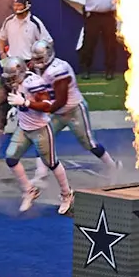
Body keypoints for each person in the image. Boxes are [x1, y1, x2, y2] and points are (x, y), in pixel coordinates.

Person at [28, 40, 121, 185]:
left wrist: (38, 108)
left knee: (89, 143)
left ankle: (113, 166)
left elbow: (61, 100)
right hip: (56, 111)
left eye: (40, 58)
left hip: (73, 109)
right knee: (41, 138)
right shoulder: (37, 67)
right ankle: (41, 174)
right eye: (35, 58)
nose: (37, 62)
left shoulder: (59, 70)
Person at [2, 57, 73, 215]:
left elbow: (48, 106)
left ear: (20, 73)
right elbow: (20, 98)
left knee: (52, 163)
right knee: (11, 158)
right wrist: (17, 109)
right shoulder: (18, 83)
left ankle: (67, 195)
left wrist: (25, 103)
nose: (10, 81)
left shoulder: (34, 82)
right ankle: (30, 190)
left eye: (13, 77)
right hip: (23, 128)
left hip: (40, 129)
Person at [0, 0, 53, 137]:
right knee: (3, 96)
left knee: (27, 97)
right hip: (11, 63)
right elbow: (1, 37)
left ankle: (24, 126)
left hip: (28, 64)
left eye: (19, 5)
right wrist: (2, 53)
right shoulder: (8, 21)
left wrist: (36, 60)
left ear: (27, 5)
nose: (16, 8)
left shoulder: (35, 23)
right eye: (15, 5)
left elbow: (47, 42)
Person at [80, 0, 119, 80]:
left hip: (108, 16)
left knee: (110, 45)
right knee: (89, 44)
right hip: (93, 16)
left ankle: (109, 70)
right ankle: (86, 69)